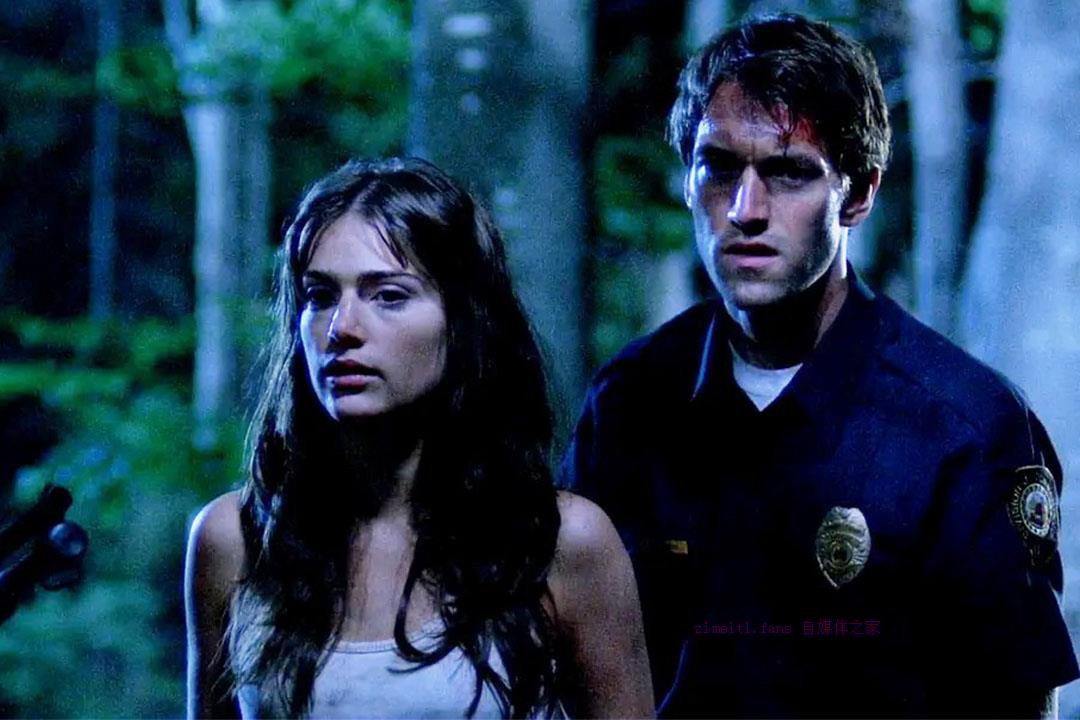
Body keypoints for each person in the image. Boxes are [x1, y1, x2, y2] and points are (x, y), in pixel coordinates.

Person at [563, 13, 1078, 718]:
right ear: (686, 181)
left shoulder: (965, 429)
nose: (746, 210)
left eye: (788, 173)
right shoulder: (630, 402)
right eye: (719, 167)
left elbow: (1017, 702)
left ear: (857, 194)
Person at [184, 157, 654, 719]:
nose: (342, 329)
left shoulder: (562, 544)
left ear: (463, 320)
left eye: (388, 295)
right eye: (320, 296)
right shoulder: (235, 541)